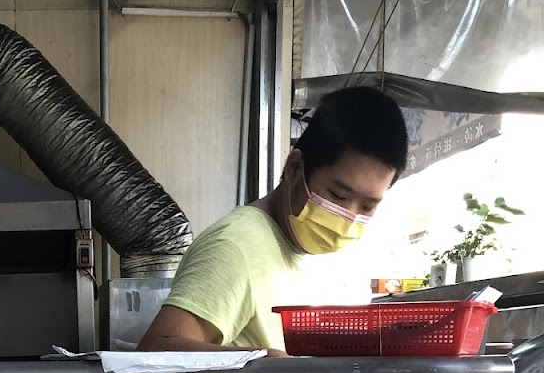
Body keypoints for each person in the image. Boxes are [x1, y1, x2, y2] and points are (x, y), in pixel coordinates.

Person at [138, 85, 409, 356]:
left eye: (367, 206)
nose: (348, 219)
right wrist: (268, 363)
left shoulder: (330, 255)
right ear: (294, 168)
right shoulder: (235, 247)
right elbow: (156, 352)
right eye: (338, 195)